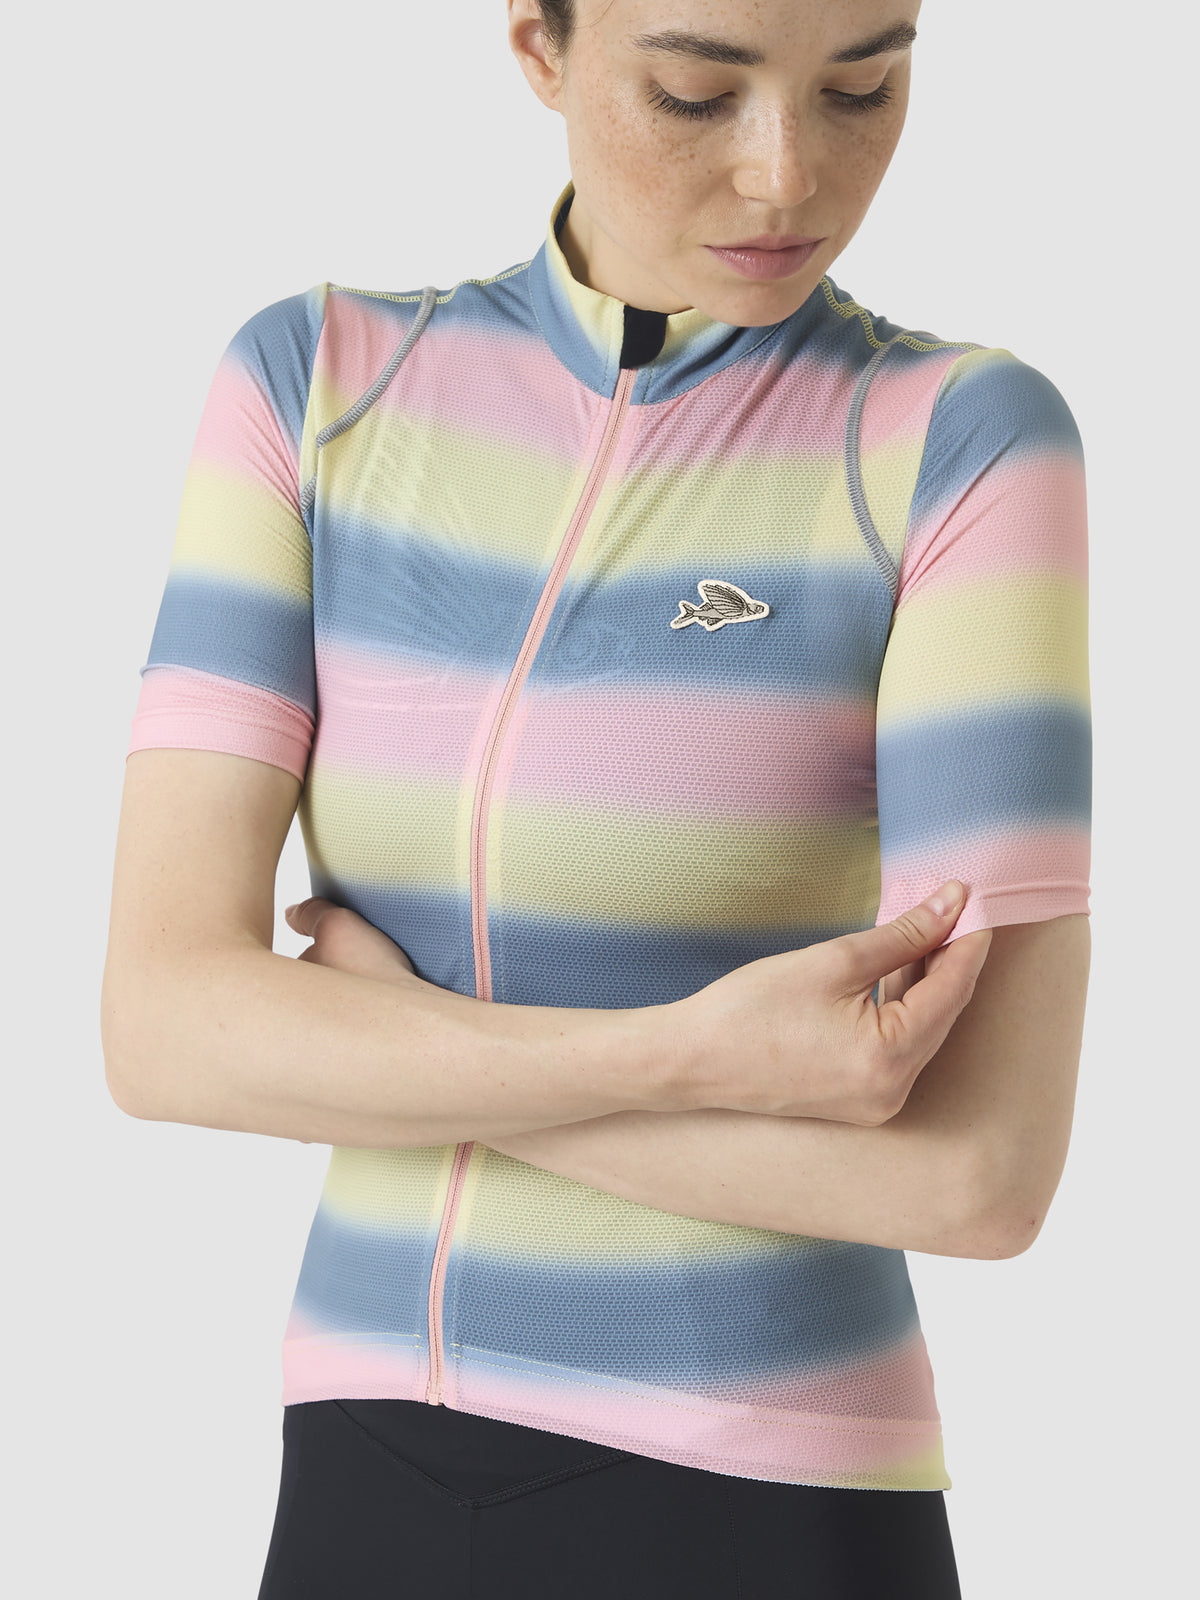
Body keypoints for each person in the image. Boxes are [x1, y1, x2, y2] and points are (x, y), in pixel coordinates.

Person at [100, 0, 1091, 1594]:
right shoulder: (322, 384)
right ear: (539, 45)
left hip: (769, 1493)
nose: (787, 172)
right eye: (697, 92)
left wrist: (385, 1046)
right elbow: (163, 1030)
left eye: (863, 85)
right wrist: (689, 1054)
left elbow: (978, 1175)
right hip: (360, 1471)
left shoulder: (955, 442)